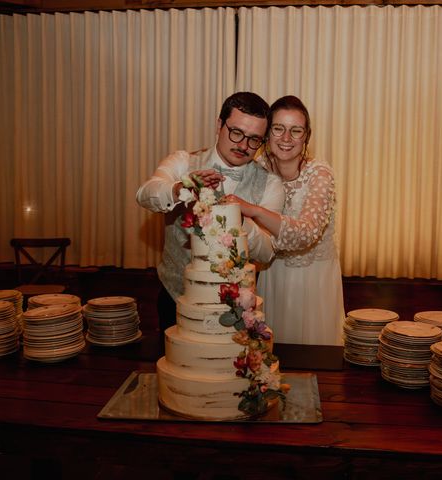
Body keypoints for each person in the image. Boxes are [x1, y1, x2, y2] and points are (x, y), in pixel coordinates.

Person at [136, 92, 285, 333]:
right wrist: (180, 188)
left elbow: (267, 252)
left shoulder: (270, 184)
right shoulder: (183, 161)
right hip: (174, 298)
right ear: (219, 125)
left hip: (237, 309)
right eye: (236, 132)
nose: (243, 146)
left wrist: (239, 217)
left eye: (254, 139)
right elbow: (145, 194)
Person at [224, 95, 345, 346]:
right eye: (278, 129)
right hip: (271, 275)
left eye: (296, 130)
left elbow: (306, 234)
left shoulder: (319, 174)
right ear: (267, 134)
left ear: (306, 136)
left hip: (314, 282)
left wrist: (254, 211)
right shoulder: (257, 169)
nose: (286, 138)